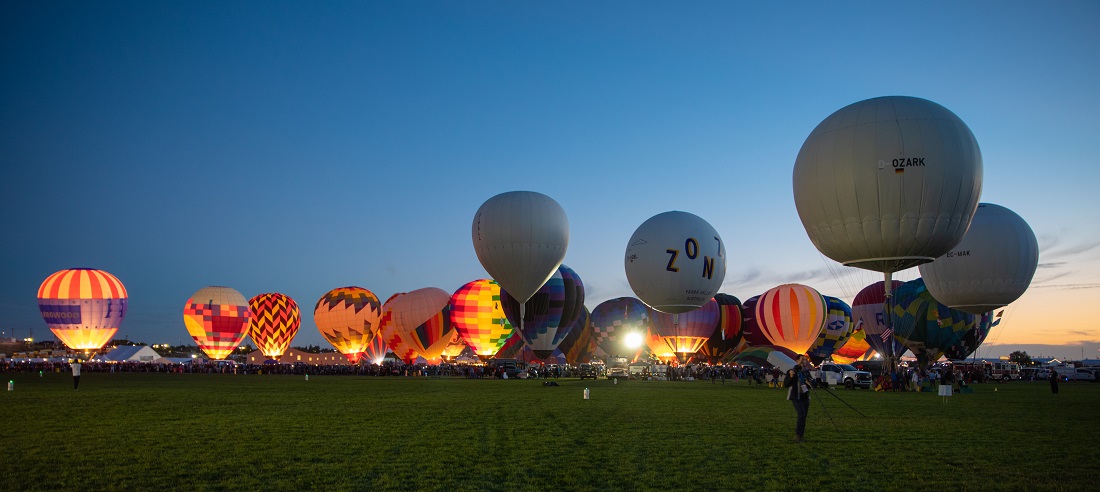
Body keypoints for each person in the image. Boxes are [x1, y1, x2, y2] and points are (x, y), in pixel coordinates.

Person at [784, 356, 812, 443]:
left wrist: (810, 383)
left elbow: (810, 382)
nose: (804, 361)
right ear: (797, 361)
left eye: (805, 359)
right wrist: (792, 377)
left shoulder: (806, 371)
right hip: (796, 396)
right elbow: (786, 384)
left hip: (805, 396)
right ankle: (798, 435)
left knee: (804, 416)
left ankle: (801, 435)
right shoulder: (792, 371)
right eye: (802, 359)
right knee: (801, 414)